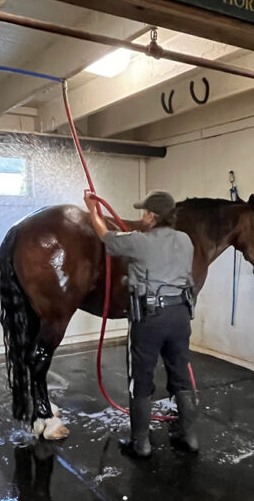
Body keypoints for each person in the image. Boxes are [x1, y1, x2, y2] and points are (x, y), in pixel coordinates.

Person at [83, 189, 199, 457]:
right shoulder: (186, 240)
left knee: (141, 377)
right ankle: (189, 437)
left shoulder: (138, 241)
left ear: (153, 216)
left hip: (150, 319)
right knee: (180, 373)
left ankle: (141, 444)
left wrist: (92, 210)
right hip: (181, 315)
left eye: (145, 212)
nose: (142, 216)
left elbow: (104, 235)